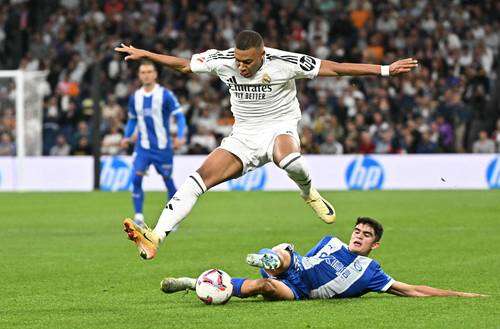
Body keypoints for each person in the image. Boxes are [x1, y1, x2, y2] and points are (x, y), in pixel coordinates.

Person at [115, 30, 418, 259]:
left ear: (262, 54)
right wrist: (147, 54)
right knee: (197, 180)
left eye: (248, 62)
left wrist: (385, 70)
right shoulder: (224, 61)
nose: (242, 67)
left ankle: (308, 192)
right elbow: (183, 66)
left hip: (279, 127)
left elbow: (335, 68)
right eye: (238, 60)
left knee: (289, 161)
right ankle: (155, 237)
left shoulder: (285, 62)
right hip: (243, 136)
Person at [161, 217, 484, 300]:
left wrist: (460, 294)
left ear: (376, 245)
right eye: (357, 230)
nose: (358, 235)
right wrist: (285, 260)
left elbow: (412, 289)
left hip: (301, 292)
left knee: (266, 288)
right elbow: (306, 260)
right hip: (297, 266)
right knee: (286, 255)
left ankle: (196, 283)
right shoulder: (331, 242)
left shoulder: (371, 272)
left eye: (366, 235)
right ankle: (271, 257)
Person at [120, 60, 187, 228]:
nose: (146, 75)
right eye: (143, 72)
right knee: (136, 178)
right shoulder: (135, 97)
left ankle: (173, 218)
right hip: (142, 147)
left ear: (155, 74)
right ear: (139, 75)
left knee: (168, 181)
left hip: (163, 148)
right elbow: (132, 120)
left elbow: (179, 116)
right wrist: (126, 136)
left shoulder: (165, 95)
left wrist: (180, 135)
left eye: (149, 71)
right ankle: (139, 217)